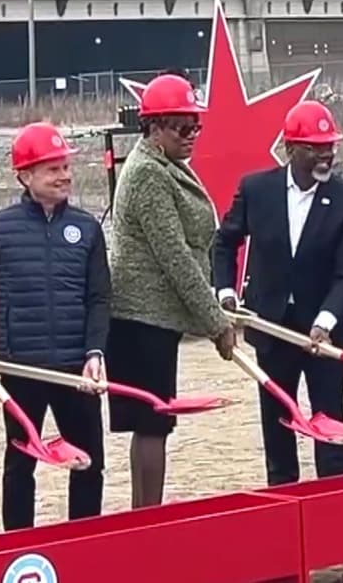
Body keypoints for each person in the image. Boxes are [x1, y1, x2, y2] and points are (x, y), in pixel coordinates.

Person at [0, 122, 110, 530]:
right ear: (25, 175)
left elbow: (99, 298)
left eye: (65, 166)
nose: (64, 176)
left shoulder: (88, 228)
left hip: (77, 371)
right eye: (52, 168)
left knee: (88, 462)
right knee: (20, 464)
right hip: (21, 369)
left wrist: (95, 352)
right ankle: (17, 548)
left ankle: (85, 542)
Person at [214, 100, 343, 485]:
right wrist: (225, 292)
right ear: (290, 148)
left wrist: (325, 319)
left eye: (330, 146)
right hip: (272, 329)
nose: (325, 155)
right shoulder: (257, 190)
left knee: (329, 421)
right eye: (315, 147)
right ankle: (283, 506)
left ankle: (335, 505)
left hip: (326, 334)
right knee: (277, 422)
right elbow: (224, 242)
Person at [106, 73, 237, 508]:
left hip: (156, 319)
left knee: (153, 424)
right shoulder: (147, 174)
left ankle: (145, 518)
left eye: (196, 125)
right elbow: (174, 256)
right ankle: (148, 521)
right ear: (154, 126)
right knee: (153, 422)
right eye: (183, 127)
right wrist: (216, 323)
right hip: (141, 319)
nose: (192, 135)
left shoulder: (164, 165)